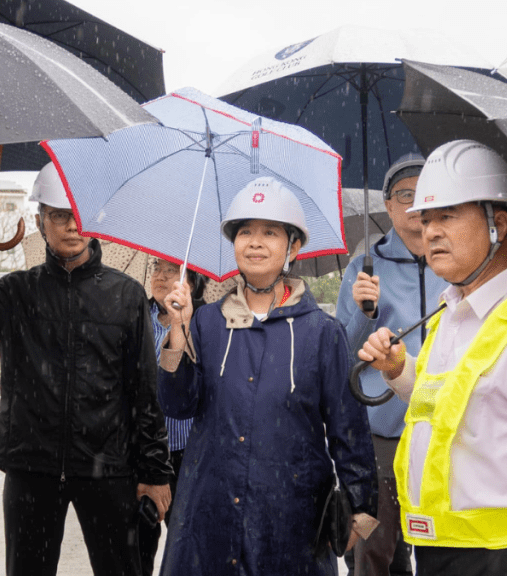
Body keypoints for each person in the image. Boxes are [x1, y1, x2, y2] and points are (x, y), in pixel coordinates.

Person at [359, 140, 507, 576]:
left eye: (447, 216)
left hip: (504, 559)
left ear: (498, 224)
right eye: (425, 218)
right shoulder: (452, 314)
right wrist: (398, 370)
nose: (429, 231)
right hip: (436, 551)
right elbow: (449, 405)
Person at [0, 162, 172, 576]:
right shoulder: (17, 291)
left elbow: (143, 392)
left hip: (108, 467)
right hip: (33, 467)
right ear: (39, 221)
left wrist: (154, 471)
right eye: (59, 216)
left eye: (79, 215)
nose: (71, 226)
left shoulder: (126, 295)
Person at [158, 176, 379, 575]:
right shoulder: (206, 321)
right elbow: (177, 404)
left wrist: (359, 508)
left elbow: (349, 428)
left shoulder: (322, 333)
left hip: (292, 519)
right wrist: (178, 331)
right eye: (245, 232)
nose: (255, 243)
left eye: (270, 232)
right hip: (210, 512)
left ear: (294, 246)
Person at [337, 154, 449, 576]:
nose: (415, 203)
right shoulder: (364, 269)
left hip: (442, 428)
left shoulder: (458, 263)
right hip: (381, 433)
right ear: (388, 205)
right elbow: (343, 360)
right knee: (374, 551)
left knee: (438, 547)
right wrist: (363, 313)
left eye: (425, 194)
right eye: (405, 194)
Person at [140, 258, 206, 576]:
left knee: (187, 547)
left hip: (188, 455)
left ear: (191, 284)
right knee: (137, 543)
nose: (161, 277)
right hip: (142, 454)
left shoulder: (205, 324)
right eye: (157, 269)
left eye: (172, 271)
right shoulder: (135, 319)